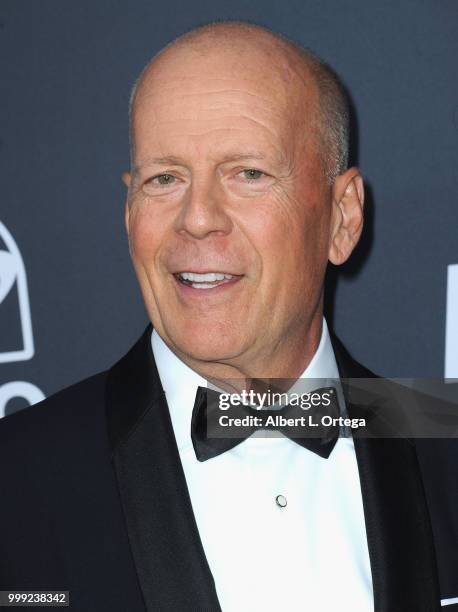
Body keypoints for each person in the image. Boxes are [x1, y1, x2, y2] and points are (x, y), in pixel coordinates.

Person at [0, 21, 456, 612]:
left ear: (342, 218)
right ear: (128, 209)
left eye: (248, 174)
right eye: (165, 179)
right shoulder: (17, 481)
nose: (197, 218)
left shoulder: (445, 448)